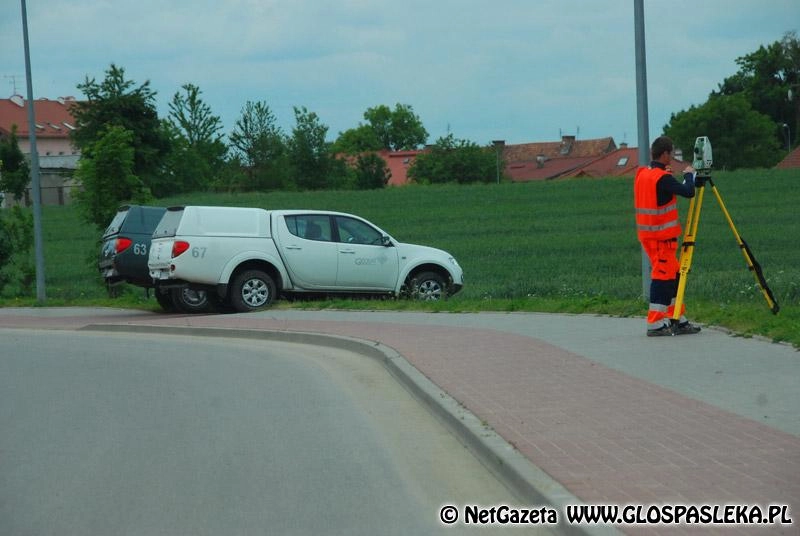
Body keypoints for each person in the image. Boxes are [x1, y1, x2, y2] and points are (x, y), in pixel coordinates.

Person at [634, 136, 702, 337]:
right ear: (664, 154)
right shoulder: (662, 178)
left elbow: (659, 193)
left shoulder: (643, 174)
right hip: (660, 237)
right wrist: (689, 175)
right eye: (670, 154)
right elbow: (688, 192)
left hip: (650, 235)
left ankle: (676, 318)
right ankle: (654, 323)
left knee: (674, 275)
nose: (672, 157)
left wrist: (669, 175)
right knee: (662, 277)